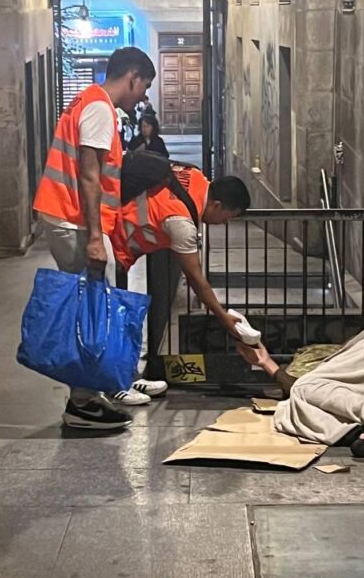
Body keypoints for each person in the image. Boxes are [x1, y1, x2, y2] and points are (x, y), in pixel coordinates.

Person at [33, 46, 165, 431]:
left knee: (92, 305)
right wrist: (95, 236)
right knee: (91, 309)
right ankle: (83, 402)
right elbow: (89, 175)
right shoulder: (99, 109)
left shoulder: (88, 101)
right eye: (145, 86)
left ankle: (97, 388)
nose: (143, 96)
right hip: (75, 221)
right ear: (132, 77)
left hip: (67, 216)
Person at [238, 325, 364, 457]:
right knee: (291, 408)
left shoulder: (342, 353)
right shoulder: (323, 368)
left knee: (291, 407)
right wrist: (265, 362)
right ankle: (363, 434)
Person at [112, 166, 251, 345]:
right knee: (102, 323)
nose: (224, 223)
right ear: (216, 205)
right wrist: (222, 316)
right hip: (114, 251)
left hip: (110, 223)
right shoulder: (181, 222)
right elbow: (195, 278)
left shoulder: (194, 174)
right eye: (227, 217)